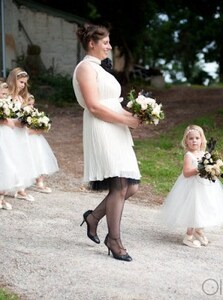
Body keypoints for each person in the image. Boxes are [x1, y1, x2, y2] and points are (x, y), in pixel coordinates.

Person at [72, 24, 141, 262]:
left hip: (117, 128)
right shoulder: (84, 68)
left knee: (131, 186)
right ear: (92, 43)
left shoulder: (100, 69)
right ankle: (114, 240)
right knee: (120, 185)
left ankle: (93, 218)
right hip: (101, 127)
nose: (110, 47)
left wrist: (133, 117)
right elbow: (93, 106)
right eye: (106, 42)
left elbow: (111, 102)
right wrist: (125, 120)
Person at [161, 125, 223, 248]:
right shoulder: (188, 156)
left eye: (197, 138)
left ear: (202, 140)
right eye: (191, 138)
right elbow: (186, 173)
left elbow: (211, 167)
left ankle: (199, 230)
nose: (194, 141)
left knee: (204, 207)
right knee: (193, 209)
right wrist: (199, 170)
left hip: (205, 186)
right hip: (192, 188)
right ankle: (188, 236)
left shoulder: (205, 154)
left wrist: (213, 170)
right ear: (186, 141)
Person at [6, 68, 58, 197]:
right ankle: (13, 185)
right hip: (12, 130)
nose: (23, 85)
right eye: (21, 82)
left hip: (21, 130)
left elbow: (24, 113)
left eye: (24, 83)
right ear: (13, 81)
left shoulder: (20, 97)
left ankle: (21, 186)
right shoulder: (7, 97)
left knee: (24, 157)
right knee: (13, 158)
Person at [0, 80, 36, 208]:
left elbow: (10, 119)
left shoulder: (7, 104)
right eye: (2, 93)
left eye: (5, 94)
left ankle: (2, 195)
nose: (3, 96)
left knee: (8, 163)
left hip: (7, 135)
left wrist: (22, 121)